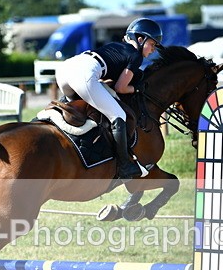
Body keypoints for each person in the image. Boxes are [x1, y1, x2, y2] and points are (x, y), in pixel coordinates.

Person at [55, 18, 162, 180]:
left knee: (76, 107)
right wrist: (137, 88)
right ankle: (125, 166)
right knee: (118, 115)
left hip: (65, 69)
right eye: (152, 44)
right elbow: (121, 88)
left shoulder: (116, 46)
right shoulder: (135, 56)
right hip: (83, 74)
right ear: (140, 39)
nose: (153, 49)